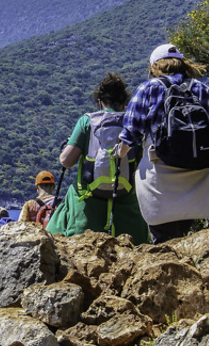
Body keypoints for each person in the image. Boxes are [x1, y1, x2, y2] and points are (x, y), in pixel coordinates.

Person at [117, 43, 209, 243]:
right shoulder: (201, 88)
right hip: (198, 174)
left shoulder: (148, 89)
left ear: (154, 67)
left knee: (163, 238)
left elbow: (131, 133)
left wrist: (118, 154)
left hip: (160, 172)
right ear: (182, 64)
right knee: (187, 234)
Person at [47, 72, 150, 243]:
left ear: (100, 102)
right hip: (127, 209)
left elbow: (67, 161)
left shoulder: (87, 122)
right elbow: (140, 161)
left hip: (87, 211)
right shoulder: (133, 123)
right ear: (125, 103)